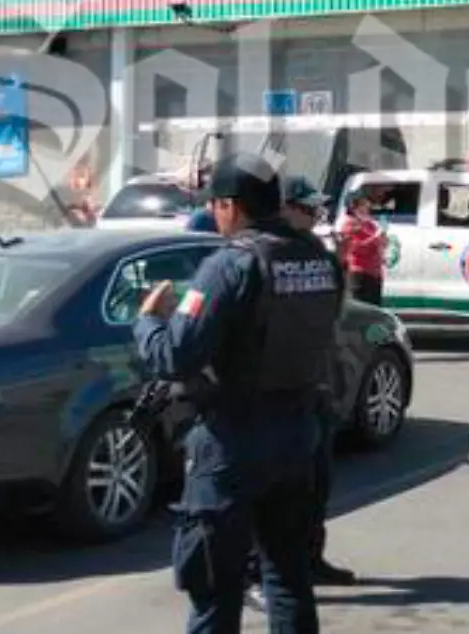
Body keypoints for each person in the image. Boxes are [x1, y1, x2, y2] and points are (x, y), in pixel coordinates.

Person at [135, 153, 343, 634]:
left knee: (215, 585)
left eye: (216, 204)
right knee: (288, 576)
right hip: (297, 436)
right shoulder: (320, 259)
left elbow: (173, 356)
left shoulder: (231, 265)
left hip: (234, 442)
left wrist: (148, 320)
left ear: (230, 205)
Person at [244, 176, 358, 611]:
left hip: (313, 386)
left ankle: (309, 557)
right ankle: (255, 572)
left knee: (315, 484)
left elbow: (335, 313)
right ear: (284, 208)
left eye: (317, 209)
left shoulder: (314, 253)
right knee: (269, 491)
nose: (315, 216)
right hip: (269, 394)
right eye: (307, 208)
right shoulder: (257, 253)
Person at [337, 190, 386, 307]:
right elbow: (357, 248)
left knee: (374, 310)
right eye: (364, 204)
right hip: (360, 274)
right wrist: (376, 237)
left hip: (375, 273)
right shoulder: (349, 225)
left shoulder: (370, 224)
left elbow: (381, 243)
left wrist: (383, 238)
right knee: (360, 308)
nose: (368, 207)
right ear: (354, 207)